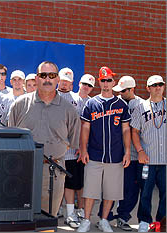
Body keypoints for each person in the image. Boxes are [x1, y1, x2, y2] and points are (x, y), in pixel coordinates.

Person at [8, 61, 81, 217]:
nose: (47, 79)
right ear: (36, 78)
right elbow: (10, 138)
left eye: (52, 75)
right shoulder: (20, 105)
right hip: (21, 170)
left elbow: (72, 141)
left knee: (47, 220)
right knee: (20, 217)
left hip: (53, 171)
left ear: (57, 79)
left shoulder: (69, 109)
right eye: (43, 75)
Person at [77, 66, 131, 232]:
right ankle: (86, 220)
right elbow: (85, 127)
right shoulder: (91, 103)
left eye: (109, 80)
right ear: (99, 82)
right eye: (103, 80)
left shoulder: (121, 104)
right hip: (94, 154)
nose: (106, 83)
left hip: (115, 155)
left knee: (110, 192)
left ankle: (104, 219)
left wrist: (128, 151)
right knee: (90, 191)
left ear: (113, 82)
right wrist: (83, 149)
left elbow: (126, 129)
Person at [96, 75, 143, 231]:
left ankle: (123, 217)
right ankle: (105, 216)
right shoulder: (117, 102)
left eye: (123, 91)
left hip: (134, 156)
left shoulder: (142, 105)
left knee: (131, 189)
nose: (120, 93)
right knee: (110, 186)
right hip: (115, 153)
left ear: (132, 89)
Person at [58, 70, 95, 228]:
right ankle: (55, 211)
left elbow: (82, 125)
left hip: (72, 150)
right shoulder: (50, 95)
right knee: (54, 182)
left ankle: (71, 213)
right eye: (63, 80)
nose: (64, 83)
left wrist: (82, 145)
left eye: (68, 81)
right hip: (55, 148)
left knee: (72, 183)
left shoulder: (76, 99)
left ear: (72, 84)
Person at [130, 75, 166, 232]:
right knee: (145, 191)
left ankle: (161, 221)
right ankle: (144, 220)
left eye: (160, 84)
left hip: (165, 160)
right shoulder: (141, 107)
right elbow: (134, 131)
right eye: (154, 85)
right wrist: (140, 151)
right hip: (147, 159)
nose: (158, 87)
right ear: (148, 88)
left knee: (165, 193)